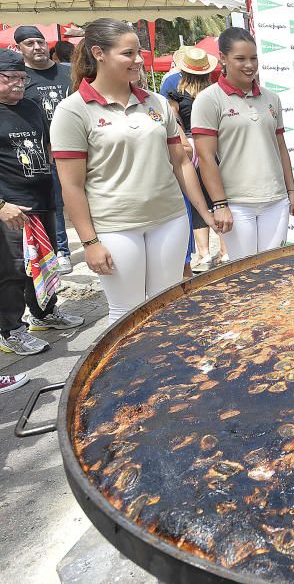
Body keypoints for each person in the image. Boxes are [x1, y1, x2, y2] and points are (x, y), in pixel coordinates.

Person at [51, 19, 215, 325]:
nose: (139, 60)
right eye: (128, 54)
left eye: (139, 52)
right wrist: (89, 243)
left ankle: (166, 370)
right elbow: (71, 186)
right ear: (99, 53)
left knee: (166, 306)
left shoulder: (157, 103)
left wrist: (206, 215)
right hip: (116, 228)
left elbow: (180, 163)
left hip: (170, 220)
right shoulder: (73, 110)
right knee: (128, 315)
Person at [0, 50, 84, 363]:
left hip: (43, 199)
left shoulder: (31, 107)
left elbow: (47, 147)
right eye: (9, 78)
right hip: (11, 208)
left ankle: (44, 314)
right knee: (13, 271)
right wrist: (2, 205)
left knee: (43, 263)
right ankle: (10, 330)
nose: (18, 84)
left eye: (21, 78)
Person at [191, 28, 294, 261]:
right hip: (238, 204)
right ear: (223, 58)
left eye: (253, 58)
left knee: (273, 270)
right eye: (240, 58)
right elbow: (206, 156)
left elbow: (281, 146)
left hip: (276, 200)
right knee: (246, 273)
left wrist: (291, 191)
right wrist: (220, 205)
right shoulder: (209, 99)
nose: (249, 65)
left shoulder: (272, 98)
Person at [15, 25, 74, 274]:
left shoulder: (68, 72)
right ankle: (62, 251)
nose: (37, 47)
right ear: (19, 49)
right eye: (29, 43)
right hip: (44, 152)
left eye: (40, 41)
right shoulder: (20, 77)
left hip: (78, 147)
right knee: (56, 202)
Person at [165, 46, 228, 272]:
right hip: (214, 145)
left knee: (197, 197)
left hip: (189, 146)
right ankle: (225, 250)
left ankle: (204, 253)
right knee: (218, 197)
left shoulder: (174, 91)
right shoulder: (213, 91)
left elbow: (173, 120)